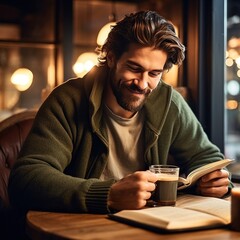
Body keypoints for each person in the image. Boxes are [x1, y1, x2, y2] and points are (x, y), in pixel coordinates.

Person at [8, 10, 231, 214]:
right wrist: (109, 194)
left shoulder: (169, 102)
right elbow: (26, 179)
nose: (143, 84)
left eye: (154, 74)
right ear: (112, 58)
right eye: (134, 68)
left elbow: (208, 158)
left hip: (150, 225)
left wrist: (217, 182)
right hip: (82, 228)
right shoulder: (68, 100)